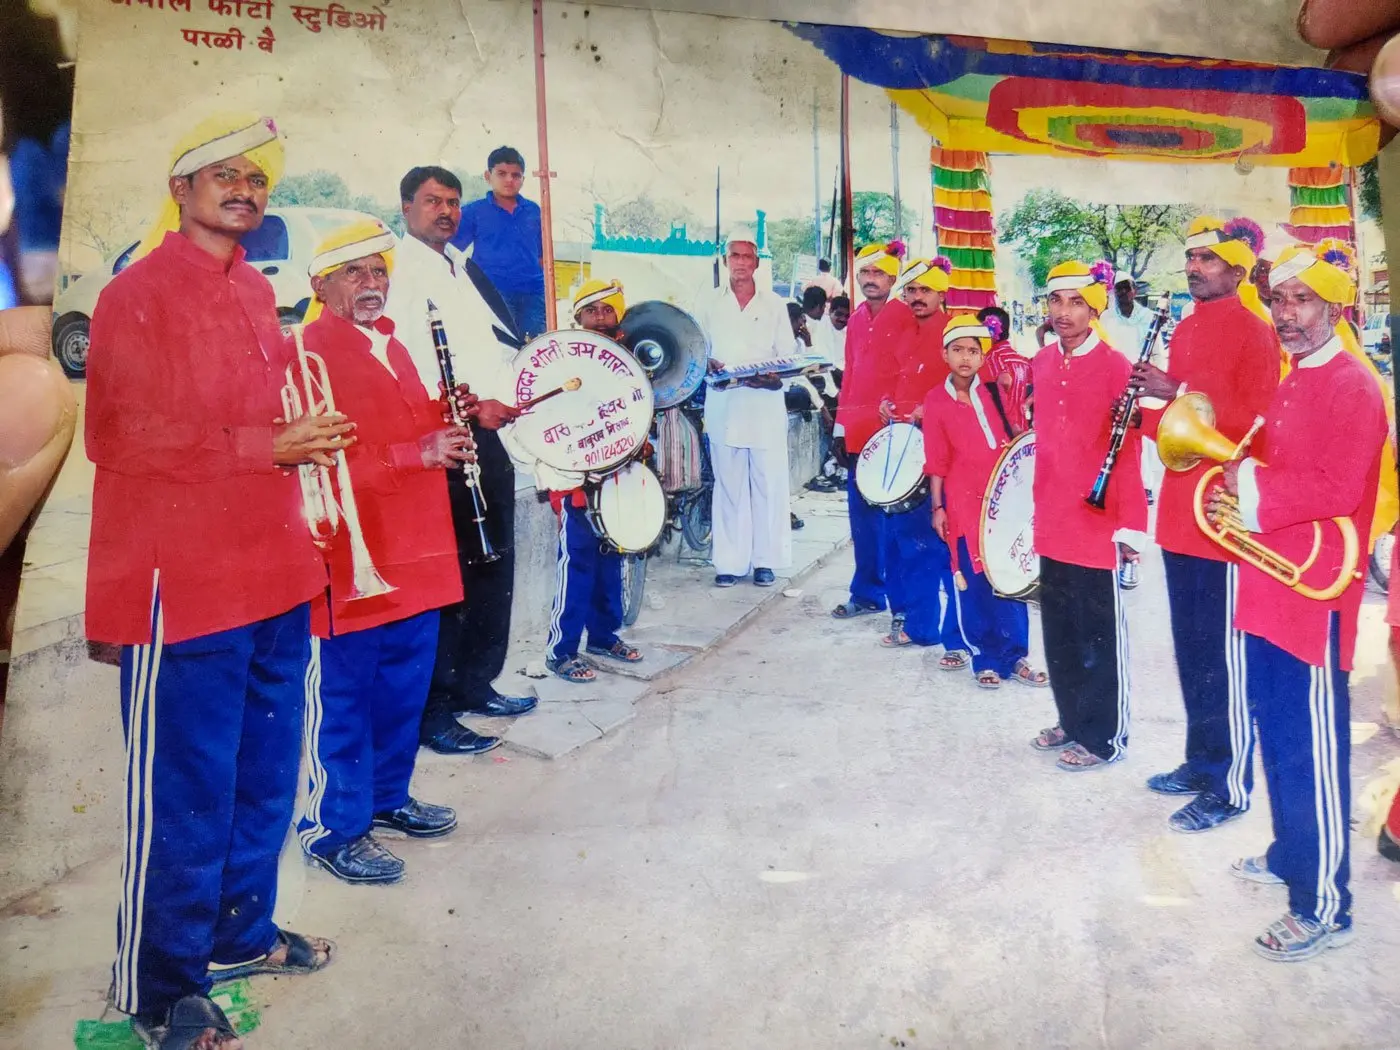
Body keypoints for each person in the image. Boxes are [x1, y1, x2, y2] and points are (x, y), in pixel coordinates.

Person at [85, 112, 334, 1050]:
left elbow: (266, 428)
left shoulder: (257, 298)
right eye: (221, 174)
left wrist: (304, 436)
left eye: (256, 179)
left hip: (270, 575)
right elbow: (116, 435)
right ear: (180, 190)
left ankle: (239, 933)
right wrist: (262, 444)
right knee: (185, 788)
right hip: (178, 584)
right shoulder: (133, 295)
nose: (243, 189)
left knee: (264, 777)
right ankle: (159, 990)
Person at [1220, 244, 1386, 961]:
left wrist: (1249, 494)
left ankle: (1323, 905)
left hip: (1315, 598)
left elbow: (1340, 488)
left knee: (1312, 752)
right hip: (1271, 588)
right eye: (1278, 300)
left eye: (1302, 301)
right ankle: (1292, 855)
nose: (1286, 315)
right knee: (1280, 739)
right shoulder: (1295, 377)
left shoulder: (1354, 383)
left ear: (1335, 307)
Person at [294, 219, 470, 885]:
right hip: (351, 555)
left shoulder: (393, 345)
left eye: (379, 272)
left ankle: (386, 799)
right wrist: (415, 453)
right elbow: (317, 464)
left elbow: (415, 422)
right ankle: (332, 828)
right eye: (355, 273)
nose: (373, 285)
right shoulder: (307, 352)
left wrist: (453, 418)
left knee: (402, 688)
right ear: (321, 285)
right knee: (345, 696)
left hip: (416, 549)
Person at [1130, 216, 1281, 832]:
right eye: (1191, 259)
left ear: (1238, 271)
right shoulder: (1187, 328)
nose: (1195, 268)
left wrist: (1177, 387)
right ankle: (1201, 762)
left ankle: (1229, 786)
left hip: (1220, 514)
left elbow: (1256, 424)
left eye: (1209, 260)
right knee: (1191, 649)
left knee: (1221, 655)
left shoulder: (1257, 332)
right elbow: (1175, 428)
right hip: (1177, 513)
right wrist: (1137, 412)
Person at [385, 164, 537, 757]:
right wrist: (475, 411)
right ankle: (436, 711)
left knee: (493, 564)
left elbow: (492, 344)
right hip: (444, 437)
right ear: (406, 208)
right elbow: (415, 365)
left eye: (452, 202)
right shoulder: (400, 272)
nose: (445, 212)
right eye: (431, 202)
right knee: (453, 578)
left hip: (488, 433)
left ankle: (478, 684)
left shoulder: (461, 265)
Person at [1028, 260, 1148, 772]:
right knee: (1058, 631)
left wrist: (1129, 527)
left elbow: (1129, 449)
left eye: (1076, 302)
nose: (1064, 312)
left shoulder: (1117, 365)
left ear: (1095, 307)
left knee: (1097, 633)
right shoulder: (1041, 363)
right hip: (1052, 518)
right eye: (1056, 301)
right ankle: (1072, 720)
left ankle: (1105, 737)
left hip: (1097, 524)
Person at [922, 315, 1046, 689]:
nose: (965, 358)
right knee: (973, 580)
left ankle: (1016, 656)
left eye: (973, 351)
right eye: (957, 350)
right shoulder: (935, 400)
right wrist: (937, 508)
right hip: (961, 501)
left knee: (1008, 576)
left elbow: (1017, 434)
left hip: (1003, 498)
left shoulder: (995, 391)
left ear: (982, 356)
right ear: (945, 354)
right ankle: (984, 658)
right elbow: (937, 460)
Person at [541, 279, 644, 682]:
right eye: (592, 310)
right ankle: (561, 651)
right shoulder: (562, 364)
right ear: (577, 318)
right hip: (575, 482)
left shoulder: (629, 359)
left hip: (616, 481)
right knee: (578, 561)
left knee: (612, 557)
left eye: (607, 310)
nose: (600, 318)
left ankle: (603, 636)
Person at [693, 228, 793, 588]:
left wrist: (771, 376)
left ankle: (765, 561)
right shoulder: (708, 304)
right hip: (725, 404)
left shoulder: (775, 305)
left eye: (746, 257)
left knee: (768, 485)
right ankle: (729, 563)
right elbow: (695, 351)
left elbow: (788, 355)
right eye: (734, 256)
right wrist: (710, 364)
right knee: (729, 485)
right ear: (726, 260)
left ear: (756, 263)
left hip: (764, 403)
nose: (740, 263)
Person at [876, 257, 962, 652]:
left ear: (941, 293)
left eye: (924, 290)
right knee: (910, 541)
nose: (916, 297)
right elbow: (897, 383)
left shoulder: (956, 333)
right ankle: (920, 624)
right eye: (910, 290)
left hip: (946, 455)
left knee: (942, 544)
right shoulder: (905, 333)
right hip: (908, 447)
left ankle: (955, 632)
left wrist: (932, 411)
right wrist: (887, 405)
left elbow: (971, 387)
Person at [830, 242, 916, 619]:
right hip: (857, 433)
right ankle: (866, 594)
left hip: (892, 432)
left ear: (893, 277)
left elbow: (909, 375)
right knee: (862, 521)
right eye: (864, 273)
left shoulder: (905, 317)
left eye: (878, 273)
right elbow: (849, 375)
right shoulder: (855, 319)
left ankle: (904, 603)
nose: (870, 280)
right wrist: (839, 427)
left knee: (895, 520)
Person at [450, 145, 546, 340]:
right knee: (499, 347)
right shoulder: (473, 212)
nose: (509, 180)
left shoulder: (534, 211)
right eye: (502, 173)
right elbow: (450, 251)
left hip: (533, 295)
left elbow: (543, 256)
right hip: (493, 294)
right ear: (488, 175)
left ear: (523, 179)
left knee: (534, 348)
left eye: (516, 175)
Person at [975, 305, 1030, 434]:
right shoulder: (1021, 360)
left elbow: (1005, 381)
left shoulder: (991, 358)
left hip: (1004, 430)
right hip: (1022, 428)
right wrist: (1028, 402)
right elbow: (1044, 382)